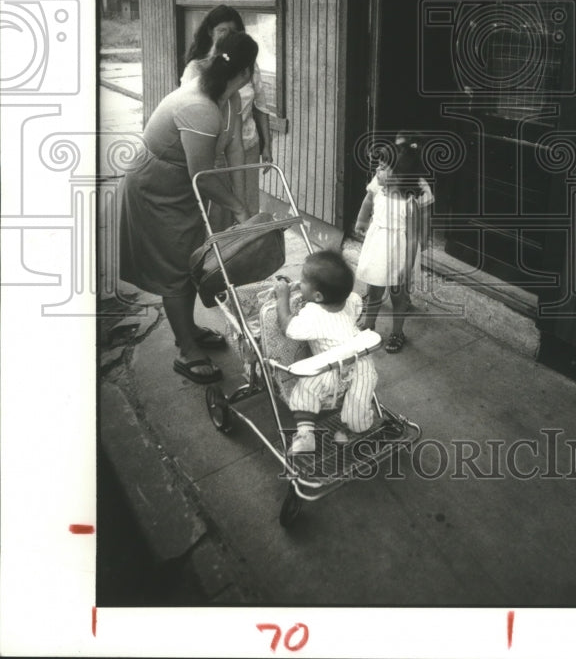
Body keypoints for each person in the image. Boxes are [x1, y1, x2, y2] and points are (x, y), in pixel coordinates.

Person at [119, 30, 259, 384]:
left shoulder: (229, 97)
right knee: (176, 269)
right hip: (157, 187)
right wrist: (237, 208)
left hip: (184, 185)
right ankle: (186, 350)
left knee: (192, 259)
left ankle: (190, 329)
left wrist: (241, 204)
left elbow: (235, 150)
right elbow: (203, 176)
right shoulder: (199, 106)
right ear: (247, 70)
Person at [274, 250, 378, 455]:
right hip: (361, 366)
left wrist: (283, 298)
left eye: (303, 281)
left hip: (328, 371)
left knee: (305, 390)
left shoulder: (313, 314)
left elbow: (287, 327)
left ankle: (305, 435)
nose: (299, 283)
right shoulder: (352, 300)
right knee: (359, 406)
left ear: (318, 296)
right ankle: (354, 427)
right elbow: (355, 307)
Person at [181, 5, 273, 228]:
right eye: (222, 30)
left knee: (247, 205)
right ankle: (221, 247)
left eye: (233, 31)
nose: (228, 36)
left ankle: (244, 245)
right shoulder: (197, 70)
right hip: (212, 150)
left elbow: (260, 107)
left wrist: (266, 146)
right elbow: (191, 118)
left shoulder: (244, 76)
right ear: (210, 32)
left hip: (244, 145)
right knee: (217, 213)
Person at [354, 133, 433, 353]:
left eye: (382, 168)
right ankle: (369, 324)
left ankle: (398, 332)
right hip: (378, 249)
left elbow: (413, 238)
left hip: (399, 254)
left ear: (398, 175)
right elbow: (367, 202)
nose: (377, 171)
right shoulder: (379, 192)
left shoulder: (409, 204)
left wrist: (406, 267)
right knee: (374, 289)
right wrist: (361, 220)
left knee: (398, 295)